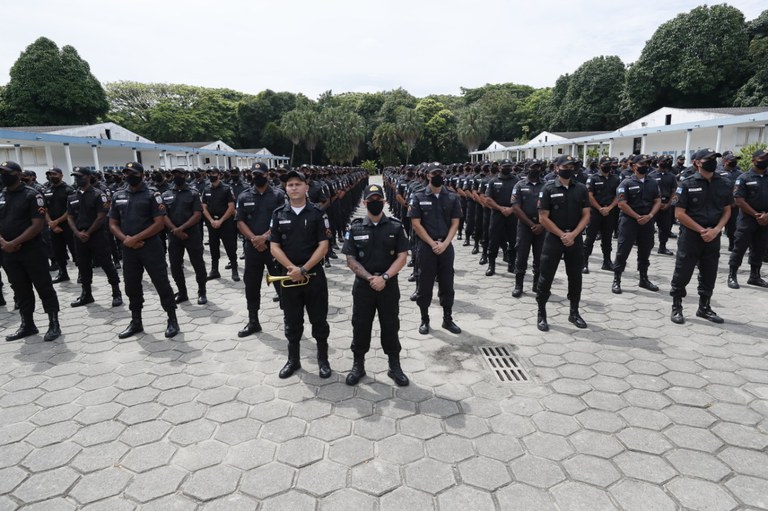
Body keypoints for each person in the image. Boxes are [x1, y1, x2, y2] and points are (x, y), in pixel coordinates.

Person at [342, 184, 409, 386]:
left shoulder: (396, 227)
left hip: (388, 286)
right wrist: (370, 278)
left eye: (378, 199)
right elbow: (350, 259)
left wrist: (385, 277)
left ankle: (394, 366)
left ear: (384, 201)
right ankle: (358, 365)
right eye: (370, 200)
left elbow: (402, 256)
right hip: (364, 287)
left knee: (390, 325)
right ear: (364, 202)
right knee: (360, 325)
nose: (374, 202)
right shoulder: (355, 227)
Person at [269, 170, 331, 379]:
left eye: (298, 184)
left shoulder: (317, 213)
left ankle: (323, 359)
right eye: (290, 185)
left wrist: (303, 269)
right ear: (285, 189)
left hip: (313, 276)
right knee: (292, 321)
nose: (294, 187)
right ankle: (293, 360)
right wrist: (291, 269)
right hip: (288, 276)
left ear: (306, 187)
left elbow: (323, 245)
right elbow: (274, 246)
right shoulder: (279, 214)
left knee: (319, 320)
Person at [109, 162, 179, 338]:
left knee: (161, 283)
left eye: (132, 173)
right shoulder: (118, 195)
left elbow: (159, 224)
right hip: (128, 248)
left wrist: (136, 238)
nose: (128, 176)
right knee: (131, 285)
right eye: (126, 173)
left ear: (141, 175)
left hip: (150, 247)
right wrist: (127, 240)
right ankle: (136, 321)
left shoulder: (152, 194)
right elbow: (113, 223)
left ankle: (172, 318)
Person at [0, 161, 61, 342]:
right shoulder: (1, 195)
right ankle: (27, 324)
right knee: (20, 288)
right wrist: (4, 243)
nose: (3, 176)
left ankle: (53, 323)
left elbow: (37, 225)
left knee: (44, 286)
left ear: (19, 174)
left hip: (32, 250)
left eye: (6, 172)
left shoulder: (32, 195)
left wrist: (15, 242)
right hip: (9, 252)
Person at [670, 149, 732, 324]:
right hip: (691, 235)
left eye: (715, 159)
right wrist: (701, 231)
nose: (713, 162)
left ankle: (704, 307)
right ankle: (677, 306)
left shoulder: (724, 183)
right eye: (708, 159)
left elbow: (727, 210)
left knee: (709, 272)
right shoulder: (686, 184)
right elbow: (679, 213)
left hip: (713, 235)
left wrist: (716, 230)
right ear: (697, 162)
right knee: (683, 271)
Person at [535, 155, 590, 332]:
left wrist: (573, 234)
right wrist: (562, 235)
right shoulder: (548, 188)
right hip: (554, 239)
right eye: (565, 166)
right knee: (546, 277)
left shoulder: (581, 188)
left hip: (575, 238)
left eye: (571, 166)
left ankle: (574, 312)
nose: (569, 169)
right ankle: (541, 313)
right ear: (556, 168)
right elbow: (543, 217)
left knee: (575, 277)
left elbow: (586, 215)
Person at [407, 163, 463, 335]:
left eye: (440, 173)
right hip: (426, 247)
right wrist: (432, 243)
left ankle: (447, 319)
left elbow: (455, 223)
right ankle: (424, 319)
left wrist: (445, 244)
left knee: (447, 284)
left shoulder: (452, 197)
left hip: (445, 246)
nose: (437, 176)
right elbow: (416, 224)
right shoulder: (418, 196)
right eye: (434, 173)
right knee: (424, 285)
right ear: (428, 176)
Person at [235, 163, 285, 337]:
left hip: (274, 247)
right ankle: (253, 321)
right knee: (251, 285)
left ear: (267, 174)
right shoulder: (244, 196)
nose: (257, 177)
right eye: (254, 174)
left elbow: (282, 219)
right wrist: (254, 239)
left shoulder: (278, 195)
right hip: (252, 247)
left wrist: (265, 237)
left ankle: (289, 320)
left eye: (261, 174)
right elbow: (240, 221)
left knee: (281, 283)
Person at [67, 167, 123, 308]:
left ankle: (116, 292)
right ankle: (86, 294)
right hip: (79, 236)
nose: (77, 179)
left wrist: (88, 232)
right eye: (75, 176)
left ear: (88, 177)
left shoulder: (98, 194)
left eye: (80, 176)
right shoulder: (72, 196)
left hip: (97, 235)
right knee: (83, 266)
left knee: (106, 263)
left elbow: (101, 217)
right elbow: (70, 217)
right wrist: (77, 232)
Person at [611, 154, 662, 294]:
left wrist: (650, 216)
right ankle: (617, 279)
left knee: (646, 250)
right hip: (629, 221)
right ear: (634, 166)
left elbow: (657, 200)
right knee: (623, 251)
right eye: (642, 164)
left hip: (647, 220)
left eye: (647, 164)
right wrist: (637, 216)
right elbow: (622, 204)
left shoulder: (653, 182)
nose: (645, 166)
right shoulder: (626, 183)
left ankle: (643, 279)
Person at [162, 168, 208, 305]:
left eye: (180, 174)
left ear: (186, 176)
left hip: (191, 234)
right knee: (175, 265)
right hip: (174, 235)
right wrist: (175, 230)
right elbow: (163, 215)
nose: (177, 176)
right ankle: (182, 292)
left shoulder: (193, 193)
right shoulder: (166, 194)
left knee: (198, 264)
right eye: (174, 174)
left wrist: (181, 229)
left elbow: (197, 214)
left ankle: (202, 292)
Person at [727, 149, 768, 289]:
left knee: (760, 247)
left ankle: (754, 276)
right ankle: (732, 275)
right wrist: (756, 215)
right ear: (753, 160)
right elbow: (739, 200)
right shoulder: (744, 178)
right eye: (762, 158)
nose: (765, 160)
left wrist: (766, 216)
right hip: (747, 219)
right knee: (740, 247)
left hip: (765, 219)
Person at [510, 160, 546, 297]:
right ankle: (519, 285)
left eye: (538, 167)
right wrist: (532, 224)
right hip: (525, 227)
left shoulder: (546, 185)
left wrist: (542, 224)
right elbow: (515, 207)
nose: (535, 170)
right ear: (527, 168)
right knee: (521, 256)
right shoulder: (519, 185)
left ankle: (537, 284)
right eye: (533, 167)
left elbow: (550, 207)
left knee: (540, 257)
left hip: (542, 226)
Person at [583, 156, 620, 273]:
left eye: (609, 164)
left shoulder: (616, 178)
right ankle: (584, 262)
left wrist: (609, 207)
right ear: (600, 165)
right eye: (605, 164)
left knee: (607, 238)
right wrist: (600, 208)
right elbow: (589, 195)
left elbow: (619, 195)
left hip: (610, 211)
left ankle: (607, 262)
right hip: (595, 212)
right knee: (590, 238)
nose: (608, 166)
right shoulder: (593, 178)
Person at [202, 168, 239, 282]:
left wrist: (221, 221)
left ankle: (234, 270)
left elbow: (231, 207)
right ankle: (214, 270)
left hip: (226, 222)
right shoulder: (206, 188)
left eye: (213, 173)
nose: (211, 175)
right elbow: (203, 207)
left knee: (230, 246)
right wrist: (211, 220)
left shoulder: (226, 188)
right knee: (213, 246)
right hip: (212, 223)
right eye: (209, 173)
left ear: (219, 175)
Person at [484, 160, 518, 276]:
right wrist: (501, 208)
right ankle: (491, 265)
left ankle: (511, 264)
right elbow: (488, 199)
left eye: (509, 166)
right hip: (497, 214)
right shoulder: (493, 181)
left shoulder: (516, 181)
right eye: (504, 166)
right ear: (500, 167)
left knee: (513, 240)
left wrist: (511, 209)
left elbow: (520, 198)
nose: (507, 168)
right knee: (494, 240)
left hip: (512, 214)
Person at [44, 167, 76, 283]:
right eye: (50, 174)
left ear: (61, 175)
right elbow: (44, 209)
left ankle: (82, 273)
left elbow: (71, 209)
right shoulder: (47, 190)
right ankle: (63, 273)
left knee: (75, 250)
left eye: (54, 174)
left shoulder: (69, 190)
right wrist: (51, 223)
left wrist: (56, 221)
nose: (52, 176)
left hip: (68, 225)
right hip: (53, 227)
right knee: (58, 251)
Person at [648, 156, 679, 255]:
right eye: (663, 161)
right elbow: (648, 191)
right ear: (658, 162)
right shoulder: (651, 175)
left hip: (666, 205)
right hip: (653, 205)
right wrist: (657, 203)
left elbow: (674, 191)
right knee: (649, 227)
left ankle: (662, 247)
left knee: (665, 228)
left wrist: (669, 204)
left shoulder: (671, 176)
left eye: (667, 161)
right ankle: (648, 246)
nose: (666, 163)